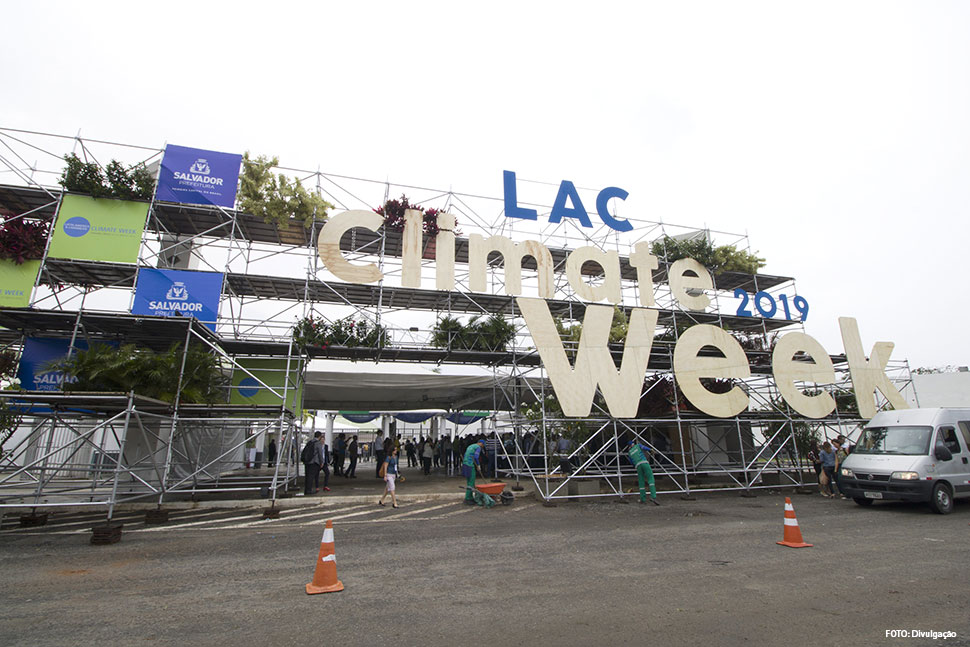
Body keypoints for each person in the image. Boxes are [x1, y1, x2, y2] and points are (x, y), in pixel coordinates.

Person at [626, 439, 659, 505]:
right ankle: (653, 496)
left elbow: (631, 462)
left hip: (638, 466)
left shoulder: (629, 453)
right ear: (633, 444)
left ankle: (643, 499)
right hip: (644, 463)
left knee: (641, 481)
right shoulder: (638, 446)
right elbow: (645, 448)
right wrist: (651, 450)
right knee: (651, 479)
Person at [462, 439, 486, 504]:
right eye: (483, 446)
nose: (482, 447)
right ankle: (468, 498)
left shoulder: (471, 446)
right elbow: (476, 457)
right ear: (481, 444)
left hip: (465, 464)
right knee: (471, 482)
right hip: (470, 465)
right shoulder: (478, 447)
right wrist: (478, 465)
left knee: (469, 481)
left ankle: (470, 497)